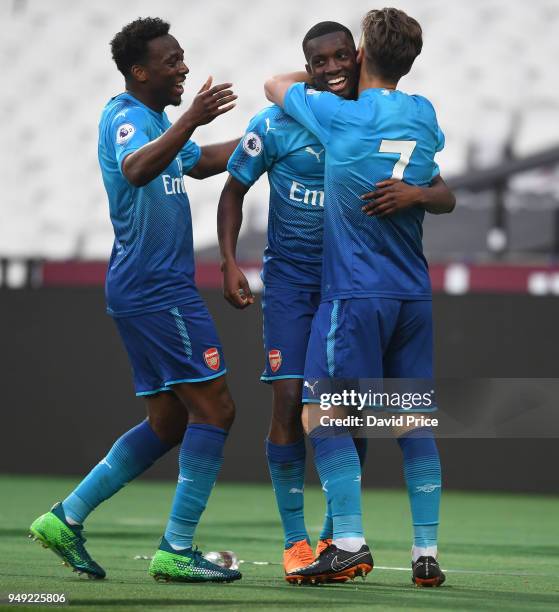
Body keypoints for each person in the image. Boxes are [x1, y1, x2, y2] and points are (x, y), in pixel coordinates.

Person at [220, 18, 452, 583]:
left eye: (341, 57)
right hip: (409, 293)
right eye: (319, 61)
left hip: (351, 293)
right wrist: (419, 192)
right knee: (411, 419)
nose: (328, 69)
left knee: (323, 414)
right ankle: (424, 555)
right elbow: (442, 187)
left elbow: (275, 82)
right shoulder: (421, 113)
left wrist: (329, 79)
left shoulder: (335, 117)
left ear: (362, 52)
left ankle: (344, 540)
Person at [29, 17, 242, 584]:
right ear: (140, 72)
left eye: (183, 57)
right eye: (172, 61)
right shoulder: (128, 119)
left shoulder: (156, 121)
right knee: (217, 409)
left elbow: (194, 162)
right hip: (156, 289)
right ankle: (176, 548)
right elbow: (137, 167)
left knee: (169, 421)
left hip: (144, 287)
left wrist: (260, 142)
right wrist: (192, 116)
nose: (185, 68)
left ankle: (65, 517)